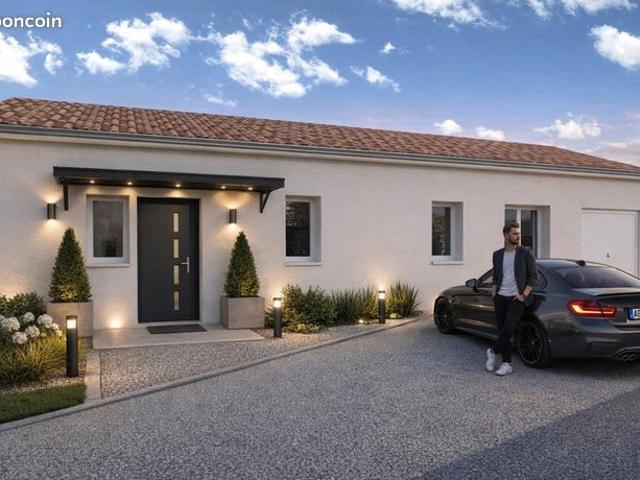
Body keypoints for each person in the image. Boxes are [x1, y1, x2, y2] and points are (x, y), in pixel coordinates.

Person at [485, 222, 538, 376]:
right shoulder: (497, 254)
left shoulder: (525, 253)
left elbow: (534, 277)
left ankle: (492, 351)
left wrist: (524, 295)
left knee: (509, 328)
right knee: (503, 331)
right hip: (500, 297)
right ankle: (506, 363)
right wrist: (494, 290)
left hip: (517, 298)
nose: (518, 236)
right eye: (514, 233)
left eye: (518, 233)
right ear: (506, 235)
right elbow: (496, 275)